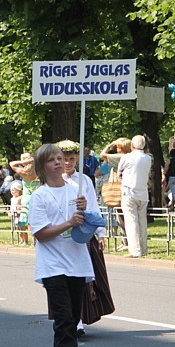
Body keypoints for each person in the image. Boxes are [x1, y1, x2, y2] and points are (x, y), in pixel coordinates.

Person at [28, 143, 94, 347]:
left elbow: (87, 228)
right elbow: (41, 234)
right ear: (42, 167)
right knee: (65, 320)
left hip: (77, 263)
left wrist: (85, 214)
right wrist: (68, 222)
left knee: (70, 319)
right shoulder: (40, 196)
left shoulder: (76, 192)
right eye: (51, 160)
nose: (58, 162)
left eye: (59, 158)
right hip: (53, 266)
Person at [59, 140, 115, 337]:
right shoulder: (54, 181)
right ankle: (69, 319)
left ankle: (80, 319)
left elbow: (93, 207)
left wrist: (99, 232)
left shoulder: (84, 180)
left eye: (71, 159)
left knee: (83, 277)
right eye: (64, 159)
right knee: (64, 278)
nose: (67, 163)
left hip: (82, 234)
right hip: (62, 234)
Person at [118, 135, 152, 258]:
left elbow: (119, 173)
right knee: (142, 222)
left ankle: (135, 250)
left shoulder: (126, 157)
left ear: (132, 145)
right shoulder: (148, 158)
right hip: (143, 193)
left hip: (129, 193)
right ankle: (144, 248)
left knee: (131, 222)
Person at [9, 153, 39, 230]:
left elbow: (11, 164)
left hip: (26, 197)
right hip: (37, 196)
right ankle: (34, 239)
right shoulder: (38, 171)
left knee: (24, 218)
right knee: (35, 219)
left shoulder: (23, 172)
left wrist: (22, 162)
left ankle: (23, 236)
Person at [10, 181, 28, 245]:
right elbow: (11, 206)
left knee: (22, 227)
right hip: (14, 215)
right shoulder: (12, 199)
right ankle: (21, 240)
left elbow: (22, 205)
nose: (12, 192)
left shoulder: (20, 198)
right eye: (11, 190)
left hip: (20, 215)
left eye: (14, 190)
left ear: (19, 190)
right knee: (18, 228)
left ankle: (25, 241)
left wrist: (19, 207)